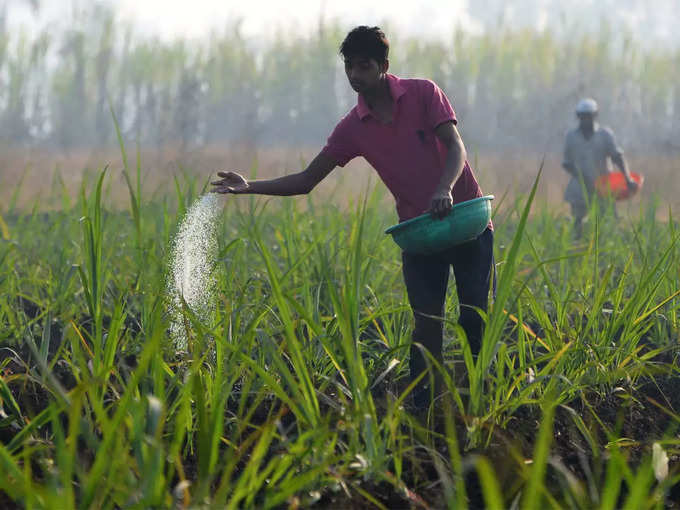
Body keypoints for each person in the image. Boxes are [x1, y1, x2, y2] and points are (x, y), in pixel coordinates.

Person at [211, 26, 494, 409]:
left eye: (364, 66)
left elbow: (455, 147)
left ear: (384, 66)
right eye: (349, 66)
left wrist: (444, 189)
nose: (355, 74)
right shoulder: (353, 128)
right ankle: (423, 409)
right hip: (421, 232)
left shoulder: (424, 93)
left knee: (474, 316)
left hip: (465, 221)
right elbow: (307, 180)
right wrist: (249, 186)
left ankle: (475, 400)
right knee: (426, 323)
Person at [562, 98, 638, 235]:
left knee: (607, 222)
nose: (586, 120)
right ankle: (577, 250)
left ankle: (603, 250)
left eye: (589, 116)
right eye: (583, 116)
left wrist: (627, 178)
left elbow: (617, 157)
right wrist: (581, 176)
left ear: (595, 115)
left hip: (603, 187)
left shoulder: (605, 135)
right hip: (580, 187)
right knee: (577, 222)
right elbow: (567, 163)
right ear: (578, 116)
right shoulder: (571, 136)